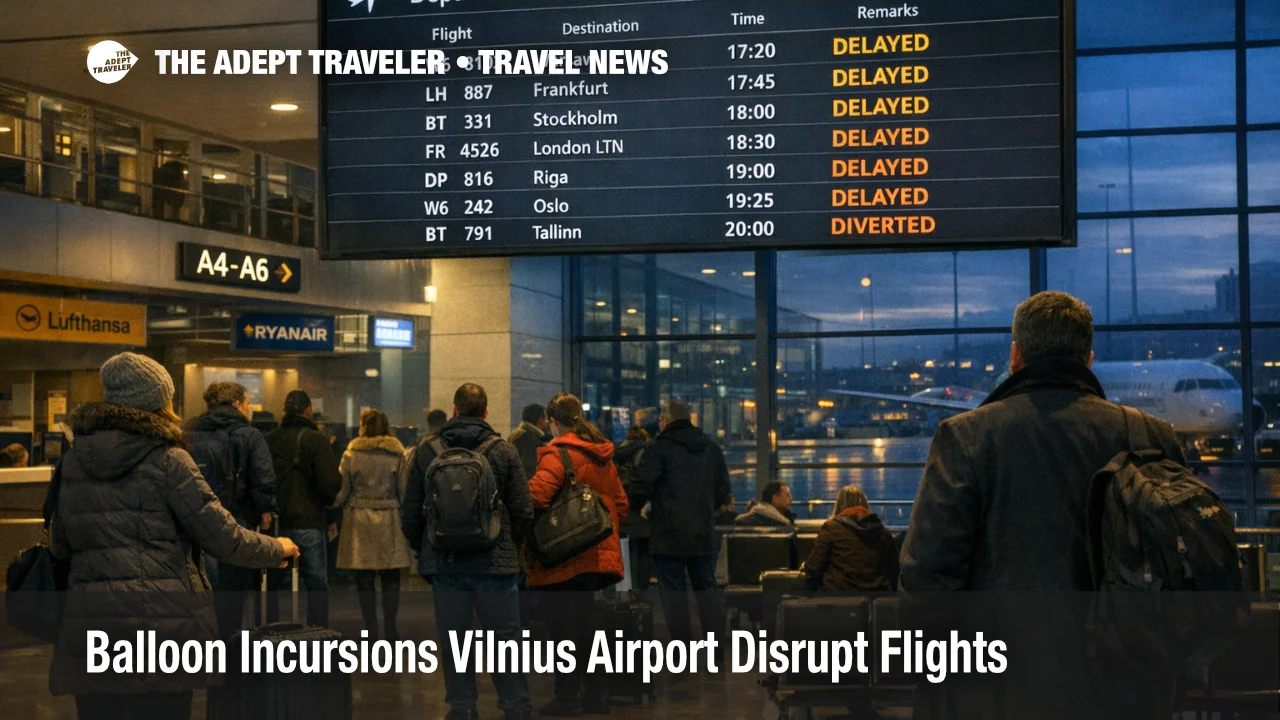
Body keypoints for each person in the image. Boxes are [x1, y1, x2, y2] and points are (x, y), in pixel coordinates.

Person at [900, 291, 1187, 720]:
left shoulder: (966, 437)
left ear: (1015, 356)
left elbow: (927, 579)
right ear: (1087, 358)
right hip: (1128, 685)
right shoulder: (1150, 435)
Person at [48, 352, 298, 720]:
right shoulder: (168, 460)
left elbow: (61, 545)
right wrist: (276, 548)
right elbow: (222, 535)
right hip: (161, 628)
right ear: (155, 401)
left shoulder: (73, 460)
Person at [402, 384, 534, 720]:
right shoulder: (504, 451)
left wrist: (426, 549)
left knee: (455, 641)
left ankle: (462, 707)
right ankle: (515, 707)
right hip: (496, 563)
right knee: (505, 639)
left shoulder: (427, 450)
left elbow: (410, 510)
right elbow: (523, 511)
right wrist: (511, 545)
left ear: (454, 410)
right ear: (486, 412)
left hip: (445, 564)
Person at [525, 394, 629, 716]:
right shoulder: (602, 455)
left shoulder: (557, 454)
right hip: (594, 554)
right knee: (587, 624)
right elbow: (621, 504)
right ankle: (595, 693)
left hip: (562, 555)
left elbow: (537, 497)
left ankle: (567, 694)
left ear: (553, 421)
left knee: (561, 629)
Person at [183, 382, 278, 636]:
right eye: (247, 404)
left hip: (192, 525)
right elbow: (264, 480)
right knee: (232, 598)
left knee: (199, 591)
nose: (248, 410)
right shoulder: (248, 434)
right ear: (237, 404)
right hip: (234, 523)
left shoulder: (189, 431)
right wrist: (262, 512)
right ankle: (230, 655)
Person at [634, 400, 731, 645]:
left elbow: (645, 484)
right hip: (702, 531)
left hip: (668, 532)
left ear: (666, 421)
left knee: (674, 594)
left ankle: (681, 651)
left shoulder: (660, 448)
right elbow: (723, 492)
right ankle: (716, 650)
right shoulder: (711, 448)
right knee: (706, 590)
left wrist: (647, 506)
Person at [264, 390, 343, 627]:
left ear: (285, 411)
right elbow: (330, 483)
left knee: (272, 583)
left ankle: (271, 634)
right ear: (308, 410)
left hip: (277, 523)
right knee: (316, 583)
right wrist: (328, 509)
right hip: (309, 520)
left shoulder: (269, 439)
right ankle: (318, 638)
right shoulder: (315, 439)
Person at [336, 409, 413, 641]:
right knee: (391, 577)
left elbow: (342, 491)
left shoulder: (351, 455)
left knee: (365, 578)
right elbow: (404, 490)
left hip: (359, 518)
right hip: (390, 517)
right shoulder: (397, 455)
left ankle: (370, 627)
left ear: (364, 427)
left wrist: (331, 508)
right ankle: (391, 627)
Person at [802, 485, 898, 592]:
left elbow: (813, 569)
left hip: (839, 597)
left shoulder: (831, 529)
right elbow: (893, 571)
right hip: (876, 597)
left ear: (838, 505)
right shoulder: (882, 532)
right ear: (865, 505)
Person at [614, 426, 652, 598]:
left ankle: (623, 590)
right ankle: (640, 590)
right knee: (642, 551)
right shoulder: (646, 453)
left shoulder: (616, 454)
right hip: (639, 508)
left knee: (624, 550)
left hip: (621, 509)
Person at [508, 403, 549, 479]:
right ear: (540, 420)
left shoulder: (517, 433)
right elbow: (530, 470)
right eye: (546, 418)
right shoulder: (529, 438)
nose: (547, 422)